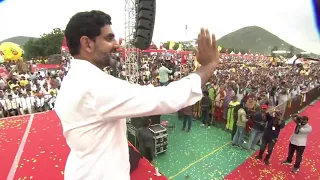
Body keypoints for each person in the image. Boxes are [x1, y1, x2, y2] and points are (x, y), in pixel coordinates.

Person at [54, 10, 219, 180]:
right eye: (109, 38)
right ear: (87, 44)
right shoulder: (94, 86)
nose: (117, 45)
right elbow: (165, 98)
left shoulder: (73, 79)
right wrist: (207, 67)